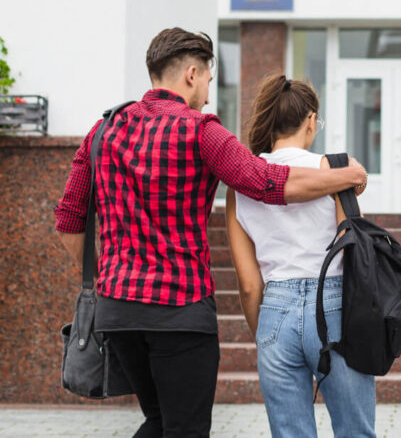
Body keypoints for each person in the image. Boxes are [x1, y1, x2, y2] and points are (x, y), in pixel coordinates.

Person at [53, 28, 368, 438]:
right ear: (190, 74)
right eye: (207, 79)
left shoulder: (102, 131)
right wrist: (347, 175)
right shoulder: (201, 131)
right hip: (180, 310)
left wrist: (111, 274)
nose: (207, 90)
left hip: (116, 312)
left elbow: (69, 222)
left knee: (160, 421)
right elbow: (265, 181)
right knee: (185, 428)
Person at [225, 75, 374, 438]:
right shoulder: (335, 170)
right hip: (336, 304)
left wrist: (263, 333)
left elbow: (247, 285)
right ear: (310, 121)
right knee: (355, 431)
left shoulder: (241, 184)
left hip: (275, 310)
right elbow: (351, 252)